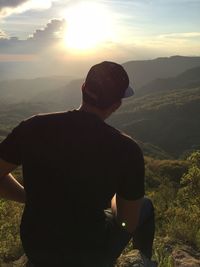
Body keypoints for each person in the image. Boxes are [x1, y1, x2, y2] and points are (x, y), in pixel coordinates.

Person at [0, 61, 156, 267]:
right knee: (145, 206)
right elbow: (128, 222)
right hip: (91, 254)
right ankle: (142, 260)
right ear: (117, 104)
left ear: (83, 88)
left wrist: (32, 198)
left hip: (37, 248)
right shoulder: (126, 150)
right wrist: (113, 200)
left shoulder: (33, 126)